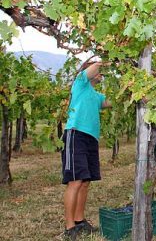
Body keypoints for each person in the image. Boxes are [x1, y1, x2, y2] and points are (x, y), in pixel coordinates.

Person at [61, 61, 111, 240]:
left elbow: (111, 102)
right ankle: (69, 227)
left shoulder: (96, 96)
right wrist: (109, 57)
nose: (101, 74)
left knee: (85, 181)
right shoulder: (80, 83)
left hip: (91, 138)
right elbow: (95, 67)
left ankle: (79, 220)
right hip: (76, 134)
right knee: (75, 180)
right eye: (99, 72)